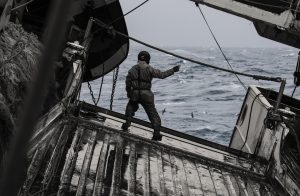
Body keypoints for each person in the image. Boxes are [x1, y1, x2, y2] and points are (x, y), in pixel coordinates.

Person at [121, 51, 180, 141]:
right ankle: (156, 133)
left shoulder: (132, 70)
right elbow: (162, 75)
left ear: (138, 59)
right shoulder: (150, 69)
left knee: (129, 109)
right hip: (146, 95)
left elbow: (127, 84)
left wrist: (129, 94)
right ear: (148, 60)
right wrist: (173, 70)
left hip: (135, 94)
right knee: (152, 114)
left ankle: (127, 124)